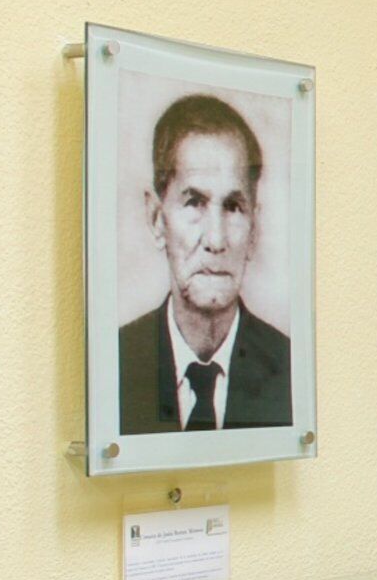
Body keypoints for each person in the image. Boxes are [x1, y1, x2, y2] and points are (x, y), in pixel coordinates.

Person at [115, 95, 293, 433]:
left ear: (254, 228)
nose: (215, 239)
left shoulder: (288, 368)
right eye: (195, 202)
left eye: (233, 207)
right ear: (156, 219)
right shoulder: (117, 362)